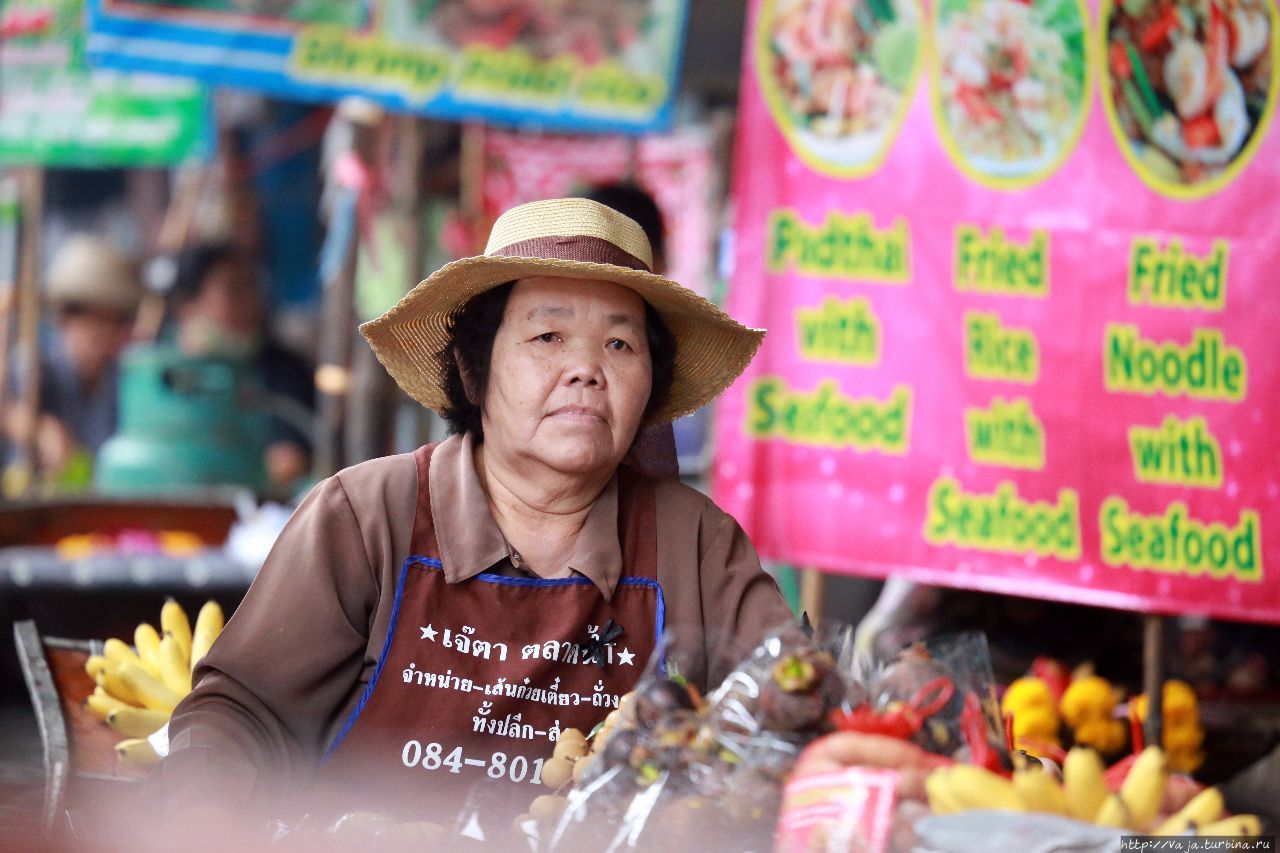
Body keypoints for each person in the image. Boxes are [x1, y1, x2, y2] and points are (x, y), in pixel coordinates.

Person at [155, 198, 793, 832]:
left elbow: (789, 716)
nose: (587, 370)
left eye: (621, 344)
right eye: (548, 336)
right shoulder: (366, 516)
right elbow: (239, 716)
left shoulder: (696, 545)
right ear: (474, 368)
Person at [167, 242, 315, 493]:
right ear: (188, 306)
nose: (249, 301)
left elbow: (289, 462)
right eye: (233, 290)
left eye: (252, 287)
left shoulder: (283, 368)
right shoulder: (160, 370)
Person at [3, 235, 142, 486]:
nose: (97, 331)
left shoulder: (125, 381)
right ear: (64, 319)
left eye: (108, 319)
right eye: (87, 317)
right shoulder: (35, 369)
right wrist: (37, 428)